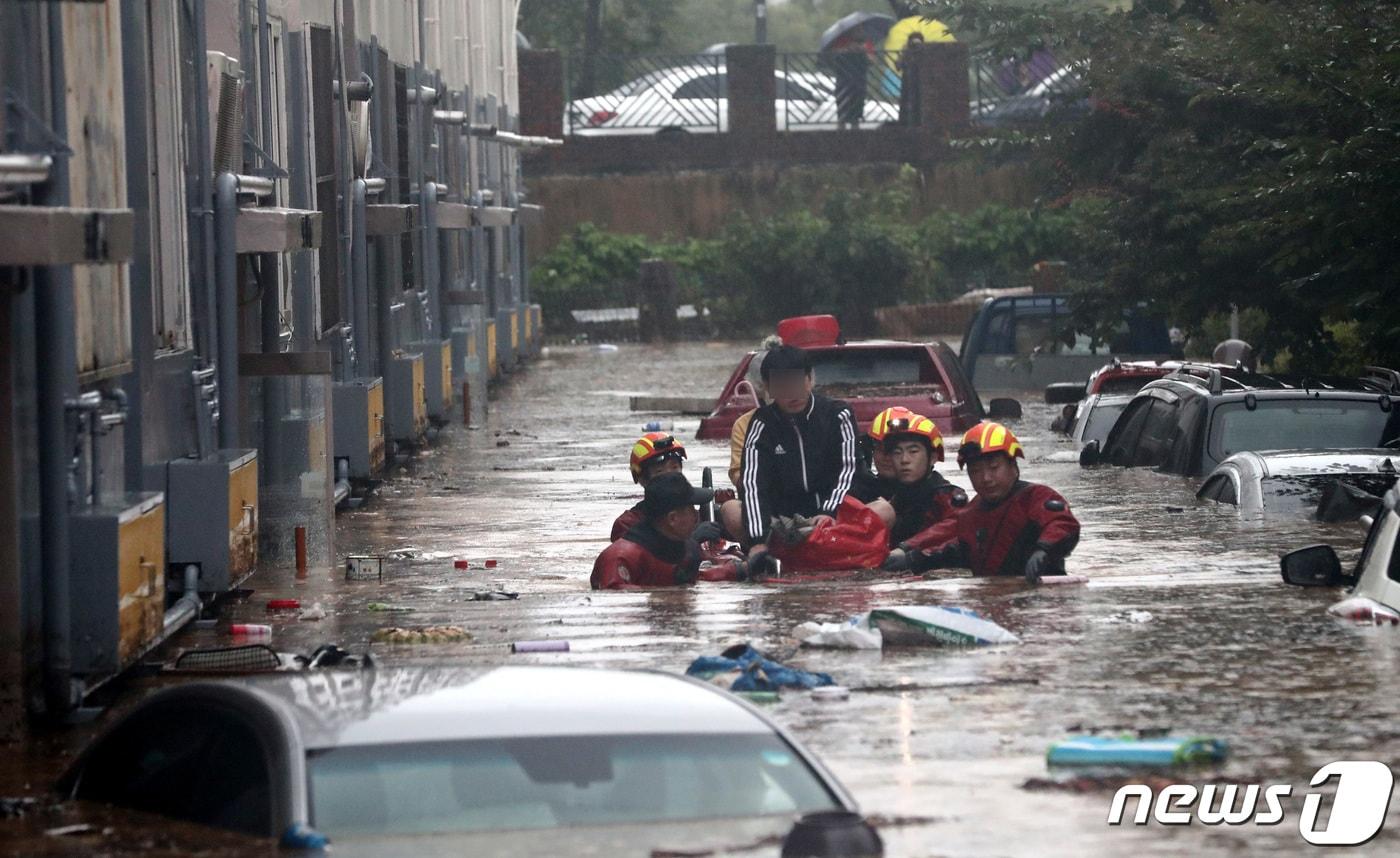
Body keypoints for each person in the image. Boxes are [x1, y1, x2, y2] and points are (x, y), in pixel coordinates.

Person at [888, 421, 1079, 582]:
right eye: (976, 471)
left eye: (994, 467)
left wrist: (1043, 550)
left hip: (1041, 594)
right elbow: (956, 550)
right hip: (994, 596)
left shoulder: (1035, 496)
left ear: (1013, 465)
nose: (986, 478)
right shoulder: (971, 513)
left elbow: (1062, 523)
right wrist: (912, 560)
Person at [737, 345, 858, 572]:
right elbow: (752, 483)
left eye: (797, 382)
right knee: (732, 511)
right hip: (783, 522)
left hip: (834, 514)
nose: (792, 393)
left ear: (810, 379)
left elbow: (850, 470)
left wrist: (829, 511)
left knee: (882, 509)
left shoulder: (838, 414)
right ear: (768, 388)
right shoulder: (761, 423)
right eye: (782, 385)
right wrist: (757, 541)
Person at [592, 473, 739, 590]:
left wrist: (739, 570)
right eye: (691, 509)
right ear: (672, 518)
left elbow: (693, 579)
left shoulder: (685, 550)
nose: (696, 515)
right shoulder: (620, 558)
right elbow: (615, 598)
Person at [613, 432, 735, 542]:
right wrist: (692, 541)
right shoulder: (627, 524)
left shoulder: (696, 516)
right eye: (660, 471)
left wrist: (729, 517)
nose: (670, 477)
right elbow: (647, 562)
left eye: (675, 468)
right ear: (641, 479)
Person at [880, 414, 968, 547]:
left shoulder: (947, 496)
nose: (904, 460)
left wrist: (908, 547)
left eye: (913, 451)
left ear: (932, 458)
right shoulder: (894, 497)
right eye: (897, 452)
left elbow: (958, 523)